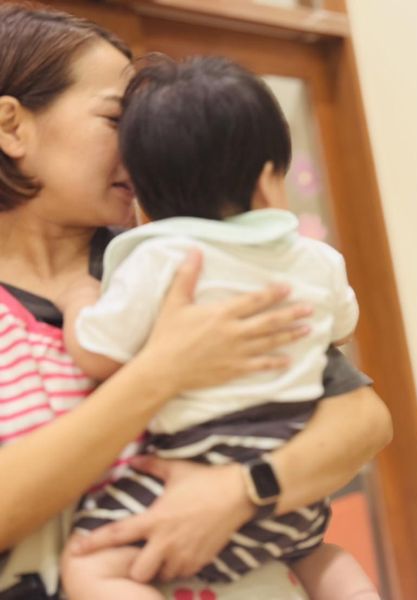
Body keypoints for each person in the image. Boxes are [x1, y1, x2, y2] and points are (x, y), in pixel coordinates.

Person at [0, 4, 391, 599]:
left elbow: (363, 421)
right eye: (116, 119)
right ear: (11, 126)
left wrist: (241, 490)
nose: (142, 146)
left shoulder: (181, 261)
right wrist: (162, 372)